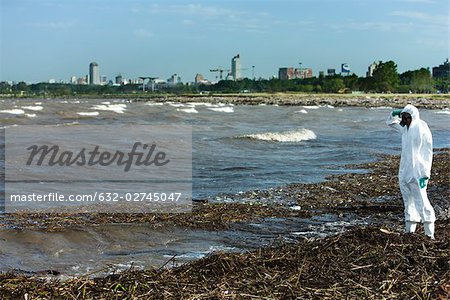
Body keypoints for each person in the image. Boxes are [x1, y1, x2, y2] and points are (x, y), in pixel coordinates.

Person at [386, 104, 435, 239]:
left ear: (413, 117)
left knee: (422, 201)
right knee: (408, 201)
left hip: (418, 172)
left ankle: (429, 234)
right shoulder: (406, 130)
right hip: (405, 171)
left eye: (407, 117)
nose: (405, 120)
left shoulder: (420, 128)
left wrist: (425, 174)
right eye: (404, 117)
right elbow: (390, 122)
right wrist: (395, 113)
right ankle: (409, 232)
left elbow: (427, 152)